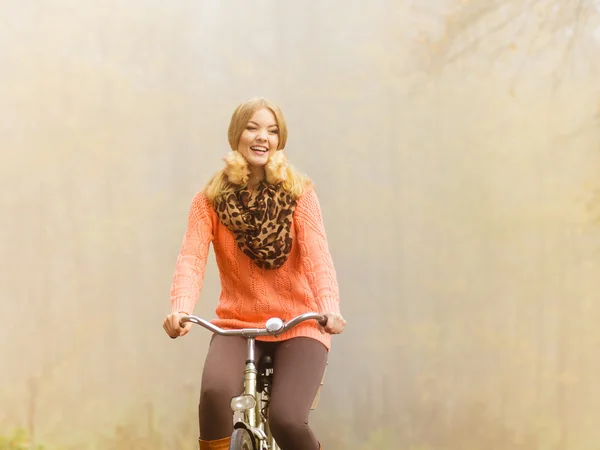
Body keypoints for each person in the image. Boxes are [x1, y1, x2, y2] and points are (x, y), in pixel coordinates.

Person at [162, 97, 346, 450]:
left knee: (287, 419)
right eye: (253, 127)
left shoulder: (299, 194)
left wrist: (330, 306)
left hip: (299, 323)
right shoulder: (209, 200)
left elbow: (318, 258)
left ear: (280, 140)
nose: (263, 137)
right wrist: (181, 308)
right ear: (237, 135)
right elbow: (191, 258)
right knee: (215, 393)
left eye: (272, 131)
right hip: (237, 323)